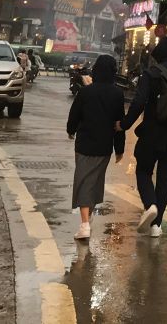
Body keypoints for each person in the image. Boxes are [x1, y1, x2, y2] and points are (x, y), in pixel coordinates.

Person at [122, 37, 167, 238]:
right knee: (165, 180)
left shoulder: (151, 74)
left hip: (151, 135)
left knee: (143, 171)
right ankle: (156, 226)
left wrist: (125, 124)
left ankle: (150, 205)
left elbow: (138, 103)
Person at [66, 54, 125, 241]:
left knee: (84, 181)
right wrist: (120, 148)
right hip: (104, 146)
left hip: (85, 144)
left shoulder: (86, 92)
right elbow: (119, 123)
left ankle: (84, 224)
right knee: (95, 182)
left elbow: (74, 114)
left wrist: (71, 130)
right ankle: (88, 218)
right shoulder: (117, 94)